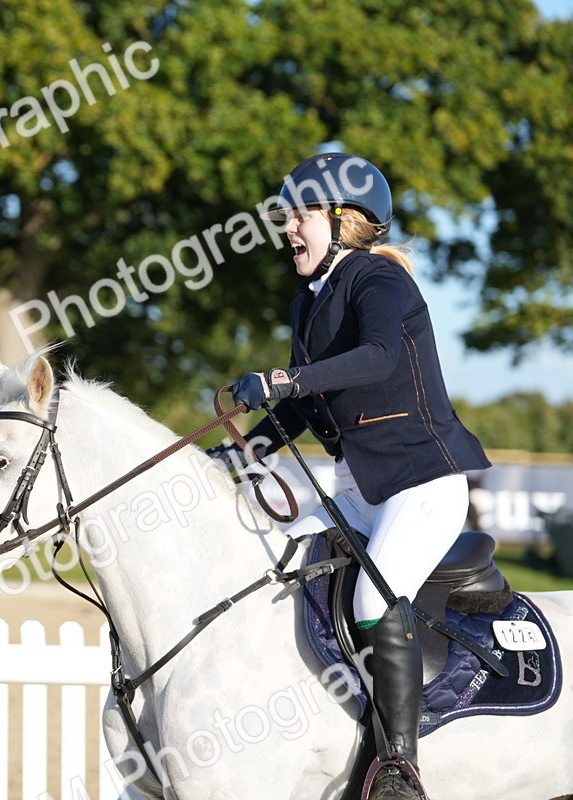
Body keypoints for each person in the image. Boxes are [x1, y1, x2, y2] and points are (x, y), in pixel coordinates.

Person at [209, 153, 491, 800]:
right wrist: (244, 450)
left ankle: (398, 767)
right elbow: (302, 406)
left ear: (344, 221)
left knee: (371, 600)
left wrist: (282, 378)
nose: (288, 229)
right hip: (358, 490)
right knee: (273, 563)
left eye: (300, 216)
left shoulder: (378, 278)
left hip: (422, 483)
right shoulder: (307, 302)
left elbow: (380, 356)